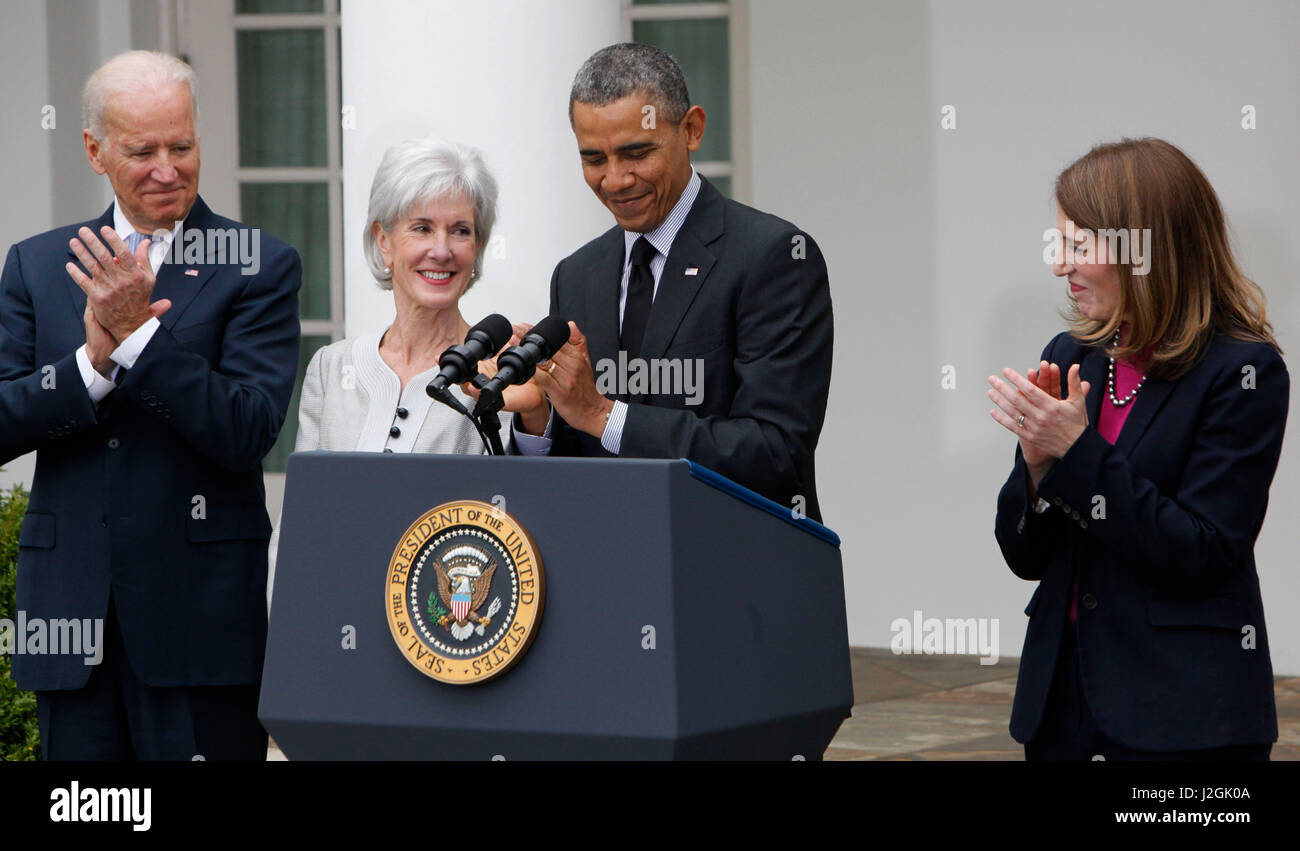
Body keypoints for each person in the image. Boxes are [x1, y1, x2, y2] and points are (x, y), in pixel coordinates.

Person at [0, 51, 301, 760]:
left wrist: (139, 337)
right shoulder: (38, 265)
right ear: (95, 150)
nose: (168, 168)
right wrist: (90, 368)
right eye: (142, 150)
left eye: (183, 145)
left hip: (199, 625)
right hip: (72, 622)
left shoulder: (258, 262)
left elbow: (247, 427)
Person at [990, 138, 1287, 760]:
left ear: (1144, 249)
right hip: (1061, 708)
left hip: (1183, 717)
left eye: (1077, 246)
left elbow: (1202, 551)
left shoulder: (1242, 372)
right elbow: (1025, 555)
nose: (1058, 265)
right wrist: (1039, 467)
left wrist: (1074, 453)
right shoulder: (1072, 355)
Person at [510, 43, 834, 522]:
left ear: (692, 130)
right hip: (606, 576)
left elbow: (775, 451)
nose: (615, 180)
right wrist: (538, 416)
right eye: (594, 159)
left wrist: (603, 414)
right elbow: (570, 466)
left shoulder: (773, 255)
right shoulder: (575, 274)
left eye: (636, 153)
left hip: (736, 577)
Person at [292, 136, 514, 456]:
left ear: (478, 245)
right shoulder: (332, 367)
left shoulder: (498, 374)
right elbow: (305, 501)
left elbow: (516, 498)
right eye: (422, 228)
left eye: (460, 230)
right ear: (384, 241)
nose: (441, 251)